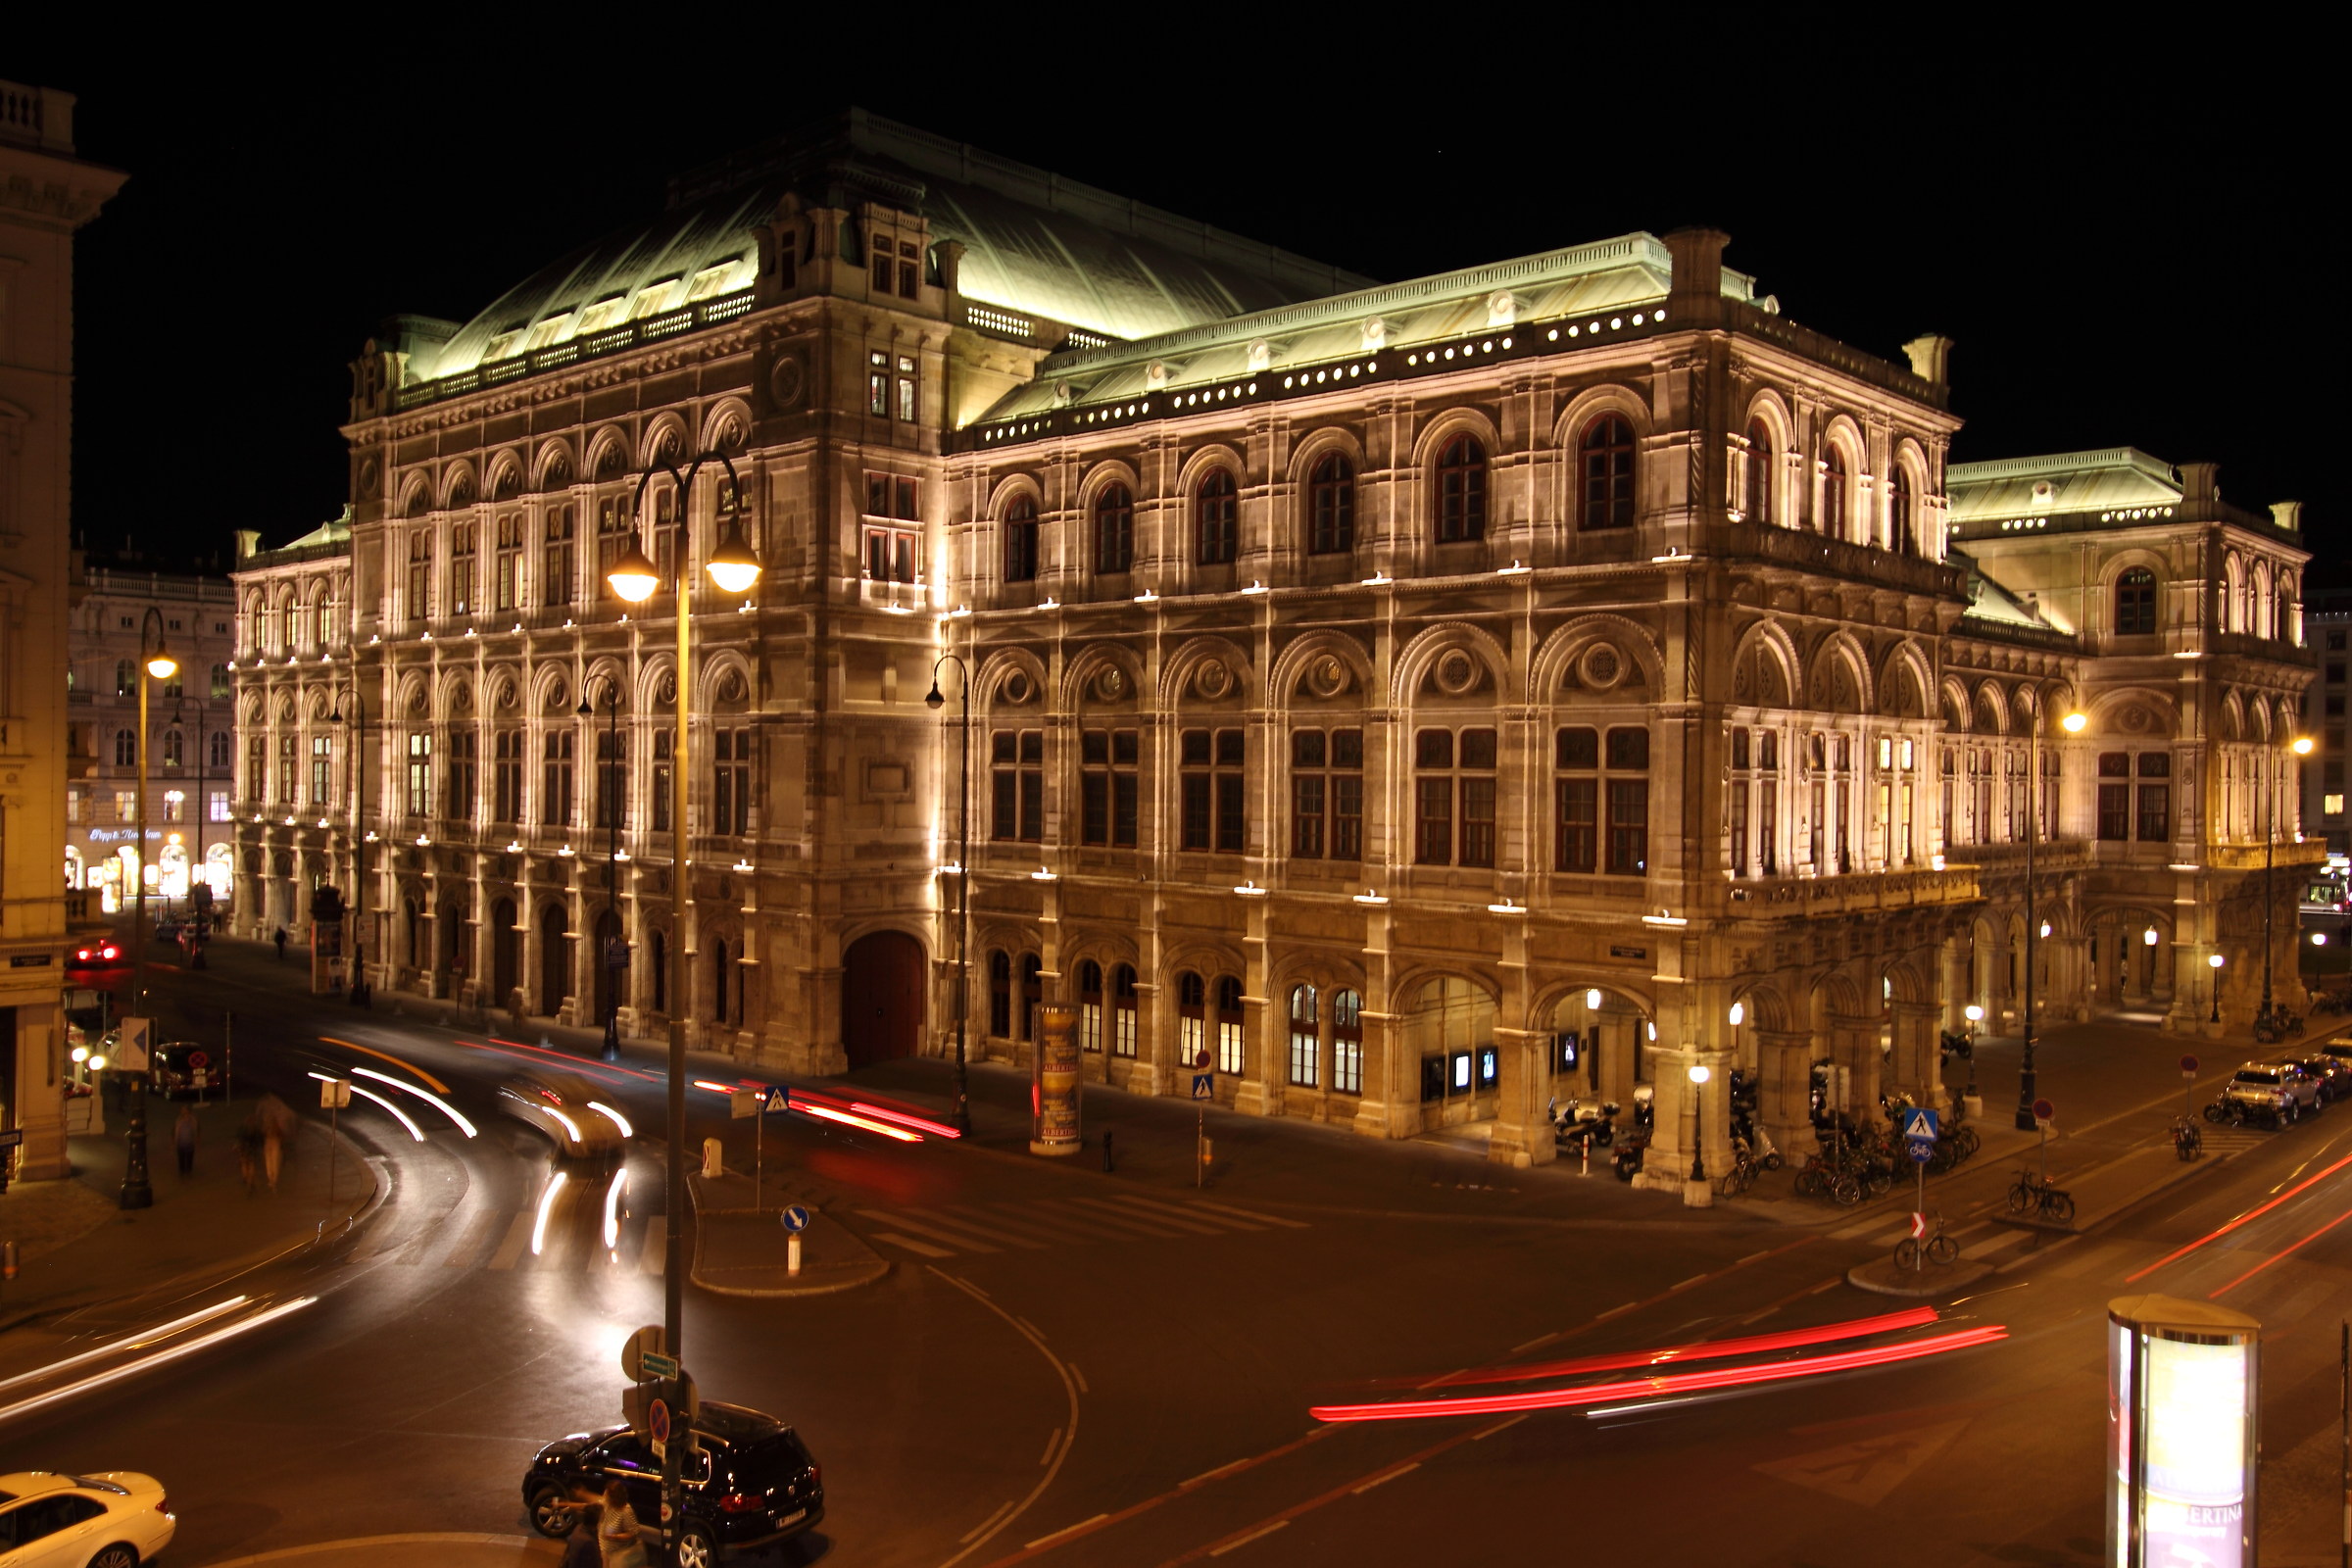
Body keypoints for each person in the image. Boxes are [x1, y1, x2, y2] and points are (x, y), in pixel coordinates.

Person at [597, 1481, 648, 1568]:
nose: (604, 1495)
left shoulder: (626, 1511)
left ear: (614, 1497)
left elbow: (633, 1532)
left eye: (607, 1494)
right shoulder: (607, 1503)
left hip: (618, 1554)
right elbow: (596, 1501)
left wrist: (615, 1536)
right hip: (605, 1550)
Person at [234, 1115, 263, 1195]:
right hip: (251, 1151)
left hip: (245, 1151)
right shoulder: (255, 1130)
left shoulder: (243, 1129)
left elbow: (238, 1139)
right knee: (250, 1167)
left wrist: (238, 1147)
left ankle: (248, 1181)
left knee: (245, 1166)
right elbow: (259, 1141)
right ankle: (250, 1182)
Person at [174, 1104, 198, 1176]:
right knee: (181, 1160)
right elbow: (177, 1132)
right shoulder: (179, 1120)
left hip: (189, 1144)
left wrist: (195, 1141)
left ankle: (188, 1172)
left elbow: (195, 1131)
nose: (184, 1112)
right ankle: (183, 1172)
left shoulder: (192, 1120)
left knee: (189, 1159)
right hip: (181, 1145)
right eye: (182, 1110)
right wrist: (176, 1142)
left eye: (185, 1110)